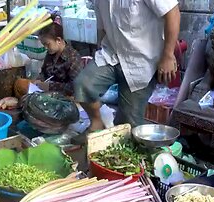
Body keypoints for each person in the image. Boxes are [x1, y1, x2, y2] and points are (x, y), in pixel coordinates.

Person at [74, 0, 180, 131]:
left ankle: (124, 142)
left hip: (142, 61)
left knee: (128, 126)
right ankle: (96, 123)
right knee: (83, 84)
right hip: (111, 55)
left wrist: (168, 55)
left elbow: (173, 13)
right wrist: (99, 49)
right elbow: (101, 28)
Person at [33, 22, 82, 96]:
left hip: (65, 97)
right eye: (44, 45)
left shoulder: (72, 58)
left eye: (48, 44)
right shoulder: (50, 53)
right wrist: (39, 80)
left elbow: (75, 87)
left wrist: (50, 86)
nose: (45, 48)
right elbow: (44, 72)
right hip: (47, 92)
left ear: (58, 40)